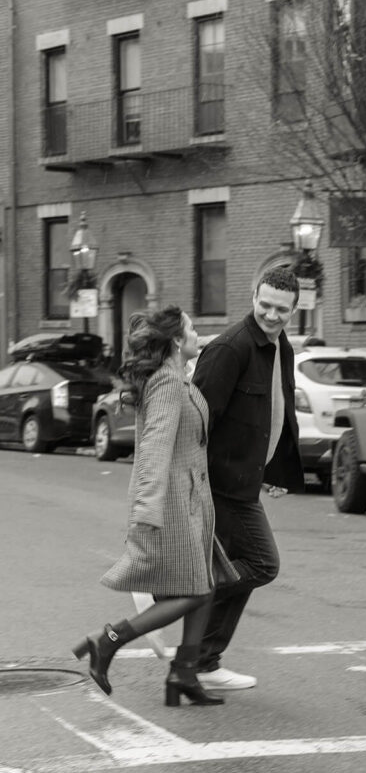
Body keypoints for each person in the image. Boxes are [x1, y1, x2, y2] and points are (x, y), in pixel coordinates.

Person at [72, 306, 239, 707]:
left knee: (208, 583)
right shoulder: (166, 382)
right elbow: (154, 449)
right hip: (173, 502)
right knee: (196, 591)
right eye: (193, 327)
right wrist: (148, 509)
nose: (200, 333)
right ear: (178, 341)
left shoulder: (178, 378)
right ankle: (108, 640)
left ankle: (183, 672)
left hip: (193, 498)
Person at [192, 267, 304, 692]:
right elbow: (197, 422)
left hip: (244, 480)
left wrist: (271, 470)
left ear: (294, 309)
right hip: (218, 484)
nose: (271, 315)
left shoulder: (281, 347)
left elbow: (274, 413)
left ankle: (203, 660)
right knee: (262, 564)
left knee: (245, 571)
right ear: (253, 295)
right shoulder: (229, 349)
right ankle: (180, 597)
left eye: (281, 309)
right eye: (265, 305)